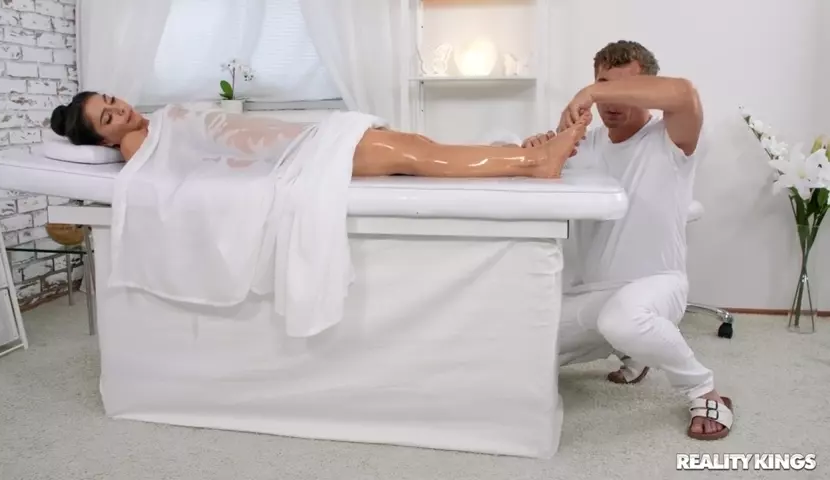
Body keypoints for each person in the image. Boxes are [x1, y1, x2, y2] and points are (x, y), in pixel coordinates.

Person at [522, 40, 734, 440]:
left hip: (658, 284)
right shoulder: (586, 144)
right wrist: (539, 151)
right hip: (592, 295)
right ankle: (632, 350)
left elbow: (683, 93)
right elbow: (538, 180)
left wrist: (592, 91)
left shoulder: (671, 138)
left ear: (647, 89)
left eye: (624, 88)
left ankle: (703, 388)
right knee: (521, 347)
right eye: (604, 85)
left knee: (623, 319)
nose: (611, 101)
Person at [49, 91, 590, 179]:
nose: (119, 110)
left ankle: (516, 152)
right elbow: (162, 170)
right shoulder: (134, 145)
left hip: (306, 137)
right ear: (104, 141)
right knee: (409, 155)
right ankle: (532, 164)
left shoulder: (156, 120)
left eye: (111, 101)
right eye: (107, 118)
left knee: (417, 145)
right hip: (297, 158)